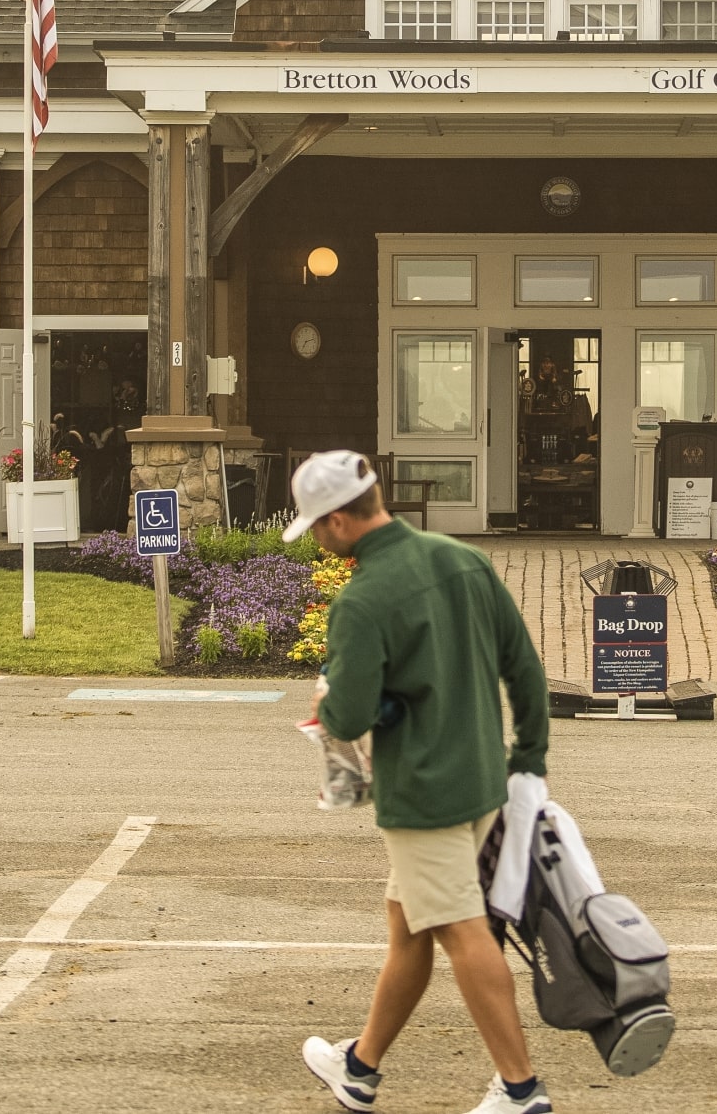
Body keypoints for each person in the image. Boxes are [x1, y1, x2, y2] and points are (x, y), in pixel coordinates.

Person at [291, 450, 553, 1114]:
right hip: (483, 780)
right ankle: (359, 1067)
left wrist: (335, 696)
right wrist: (529, 760)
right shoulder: (463, 560)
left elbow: (346, 714)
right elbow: (523, 666)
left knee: (464, 932)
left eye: (317, 526)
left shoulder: (362, 598)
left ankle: (519, 1089)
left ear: (342, 520)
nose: (317, 539)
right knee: (408, 924)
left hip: (421, 792)